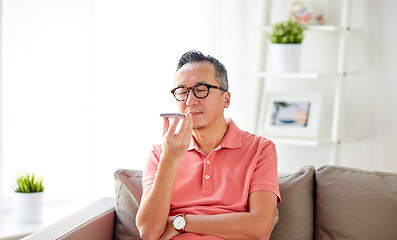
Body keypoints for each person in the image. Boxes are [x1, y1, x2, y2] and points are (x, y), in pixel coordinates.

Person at [136, 50, 280, 240]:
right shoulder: (160, 153)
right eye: (182, 92)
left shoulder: (260, 149)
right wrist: (170, 158)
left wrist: (180, 222)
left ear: (226, 99)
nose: (189, 101)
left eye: (201, 89)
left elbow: (260, 227)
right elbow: (148, 232)